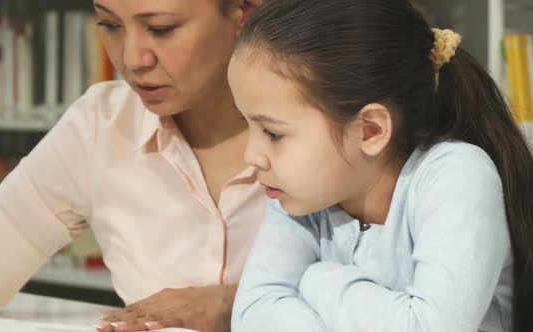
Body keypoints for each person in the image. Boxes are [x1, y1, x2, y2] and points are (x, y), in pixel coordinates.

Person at [0, 1, 265, 332]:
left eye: (160, 29)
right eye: (110, 25)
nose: (131, 59)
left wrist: (234, 303)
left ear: (245, 11)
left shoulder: (319, 121)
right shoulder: (101, 124)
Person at [228, 0, 533, 331]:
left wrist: (317, 279)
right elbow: (252, 315)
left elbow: (429, 326)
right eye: (247, 125)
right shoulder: (298, 194)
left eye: (272, 133)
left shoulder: (456, 175)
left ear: (370, 130)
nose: (250, 156)